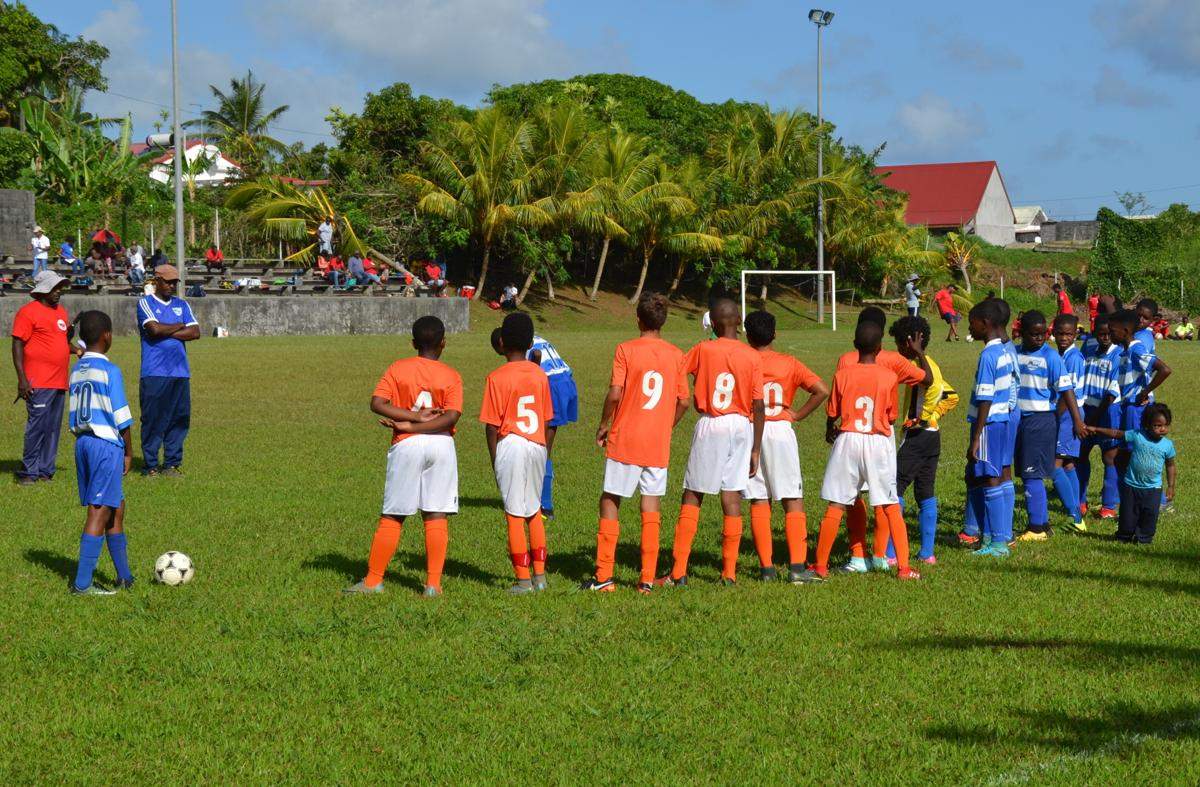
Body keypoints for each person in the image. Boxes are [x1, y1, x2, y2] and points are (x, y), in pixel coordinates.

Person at [344, 316, 462, 597]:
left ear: (413, 343)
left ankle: (373, 582)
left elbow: (377, 404)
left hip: (407, 445)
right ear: (443, 343)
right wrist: (422, 420)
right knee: (435, 514)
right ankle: (433, 585)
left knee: (394, 515)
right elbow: (452, 416)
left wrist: (410, 420)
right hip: (442, 446)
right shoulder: (451, 375)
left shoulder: (398, 368)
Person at [581, 292, 690, 594]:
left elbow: (616, 393)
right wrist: (665, 425)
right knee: (651, 504)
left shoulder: (626, 349)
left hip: (626, 436)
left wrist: (604, 424)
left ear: (638, 319)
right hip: (657, 442)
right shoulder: (677, 354)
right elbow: (684, 401)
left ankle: (604, 575)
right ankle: (646, 580)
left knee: (610, 498)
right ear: (662, 322)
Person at [795, 320, 920, 582]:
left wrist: (832, 426)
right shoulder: (888, 376)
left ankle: (819, 566)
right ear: (880, 347)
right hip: (876, 440)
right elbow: (892, 415)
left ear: (854, 346)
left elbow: (833, 412)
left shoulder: (842, 375)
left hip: (848, 439)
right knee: (889, 505)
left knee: (837, 503)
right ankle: (904, 569)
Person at [659, 298, 764, 587]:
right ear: (739, 322)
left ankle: (678, 571)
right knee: (731, 498)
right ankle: (728, 573)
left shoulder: (704, 349)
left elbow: (679, 369)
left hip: (712, 423)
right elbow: (758, 404)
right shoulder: (752, 355)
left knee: (693, 494)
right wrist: (756, 447)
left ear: (714, 325)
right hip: (742, 427)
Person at [833, 308, 930, 573]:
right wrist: (919, 352)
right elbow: (927, 380)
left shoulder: (845, 360)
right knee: (884, 497)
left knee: (852, 495)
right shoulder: (894, 360)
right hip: (881, 434)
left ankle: (857, 556)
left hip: (851, 434)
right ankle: (880, 555)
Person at [742, 310, 828, 582]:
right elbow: (821, 390)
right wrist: (797, 414)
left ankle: (766, 568)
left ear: (747, 334)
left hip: (750, 430)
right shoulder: (788, 362)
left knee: (759, 498)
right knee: (792, 499)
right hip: (780, 430)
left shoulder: (743, 361)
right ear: (775, 334)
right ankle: (797, 569)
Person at [480, 313, 556, 595]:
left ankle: (522, 579)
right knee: (533, 509)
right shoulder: (539, 374)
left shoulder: (496, 377)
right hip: (537, 444)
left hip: (511, 444)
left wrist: (494, 459)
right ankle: (540, 576)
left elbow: (491, 425)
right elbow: (547, 419)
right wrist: (543, 452)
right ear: (529, 342)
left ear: (501, 342)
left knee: (513, 512)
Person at [67, 310, 135, 595]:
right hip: (105, 445)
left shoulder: (78, 369)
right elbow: (122, 417)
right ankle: (82, 584)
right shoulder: (110, 371)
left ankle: (125, 577)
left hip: (82, 442)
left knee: (115, 508)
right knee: (99, 510)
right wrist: (129, 452)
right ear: (107, 336)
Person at [1012, 311, 1085, 542]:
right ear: (1021, 333)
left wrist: (1076, 420)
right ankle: (1044, 521)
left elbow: (1067, 391)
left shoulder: (1051, 358)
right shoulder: (1014, 353)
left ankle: (1037, 528)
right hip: (1018, 419)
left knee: (1033, 473)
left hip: (1040, 420)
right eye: (1033, 334)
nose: (1039, 338)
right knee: (1029, 471)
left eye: (1043, 334)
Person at [891, 315, 958, 564]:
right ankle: (927, 553)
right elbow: (951, 395)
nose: (897, 349)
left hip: (918, 435)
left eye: (899, 343)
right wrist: (933, 416)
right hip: (932, 435)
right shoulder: (931, 363)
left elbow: (929, 383)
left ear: (910, 343)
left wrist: (921, 417)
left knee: (894, 487)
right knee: (925, 492)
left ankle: (889, 553)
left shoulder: (922, 367)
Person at [962, 299, 1016, 557]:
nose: (969, 327)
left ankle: (996, 543)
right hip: (1002, 421)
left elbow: (985, 397)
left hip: (989, 424)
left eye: (972, 322)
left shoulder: (988, 356)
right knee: (1002, 475)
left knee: (990, 477)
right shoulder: (1006, 350)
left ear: (985, 323)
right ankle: (1002, 535)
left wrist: (976, 436)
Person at [11, 271, 76, 484]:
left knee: (52, 428)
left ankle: (45, 470)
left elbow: (62, 344)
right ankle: (29, 471)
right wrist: (22, 379)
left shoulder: (61, 312)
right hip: (37, 381)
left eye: (60, 288)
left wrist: (77, 349)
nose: (59, 292)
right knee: (37, 427)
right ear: (42, 290)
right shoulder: (28, 312)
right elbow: (17, 344)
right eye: (54, 288)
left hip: (59, 381)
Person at [137, 265, 200, 476]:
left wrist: (166, 330)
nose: (172, 286)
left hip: (180, 372)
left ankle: (172, 463)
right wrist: (178, 326)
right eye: (168, 282)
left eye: (175, 282)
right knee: (153, 418)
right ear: (157, 281)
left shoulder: (182, 305)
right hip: (154, 372)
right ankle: (151, 465)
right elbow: (153, 329)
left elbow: (195, 332)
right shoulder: (145, 303)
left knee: (179, 419)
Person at [1109, 308, 1172, 512]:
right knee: (1124, 455)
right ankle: (1129, 497)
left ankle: (1159, 500)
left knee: (1139, 453)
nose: (1110, 335)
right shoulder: (1124, 351)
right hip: (1127, 407)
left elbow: (1164, 369)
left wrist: (1145, 391)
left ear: (1126, 330)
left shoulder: (1137, 349)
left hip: (1136, 410)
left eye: (1113, 331)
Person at [1086, 403, 1175, 544]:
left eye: (1165, 425)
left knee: (1150, 516)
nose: (1161, 429)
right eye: (1157, 426)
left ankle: (1144, 539)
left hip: (1153, 489)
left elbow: (1170, 465)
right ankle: (1124, 536)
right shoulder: (1138, 435)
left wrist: (1170, 486)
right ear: (1147, 424)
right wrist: (1096, 429)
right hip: (1131, 486)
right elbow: (1116, 433)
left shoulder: (1167, 445)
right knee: (1127, 515)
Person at [521, 332, 578, 519]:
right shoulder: (536, 335)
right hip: (565, 379)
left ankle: (545, 505)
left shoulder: (522, 343)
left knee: (543, 447)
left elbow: (536, 355)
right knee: (543, 445)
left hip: (553, 384)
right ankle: (538, 499)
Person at [1076, 314, 1122, 520]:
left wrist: (1096, 416)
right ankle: (1080, 501)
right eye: (1101, 334)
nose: (1105, 338)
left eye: (1109, 334)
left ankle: (1109, 506)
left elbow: (1112, 392)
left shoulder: (1119, 354)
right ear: (1094, 334)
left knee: (1109, 457)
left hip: (1108, 411)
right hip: (1086, 408)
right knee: (1081, 454)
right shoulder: (1088, 350)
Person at [1050, 314, 1088, 533]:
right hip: (1068, 414)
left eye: (1068, 334)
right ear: (1053, 333)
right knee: (1068, 463)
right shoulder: (1062, 354)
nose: (1063, 337)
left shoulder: (1073, 357)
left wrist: (1058, 417)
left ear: (1076, 335)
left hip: (1067, 415)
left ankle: (1074, 516)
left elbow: (1067, 393)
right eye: (1060, 333)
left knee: (1053, 466)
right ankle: (1077, 511)